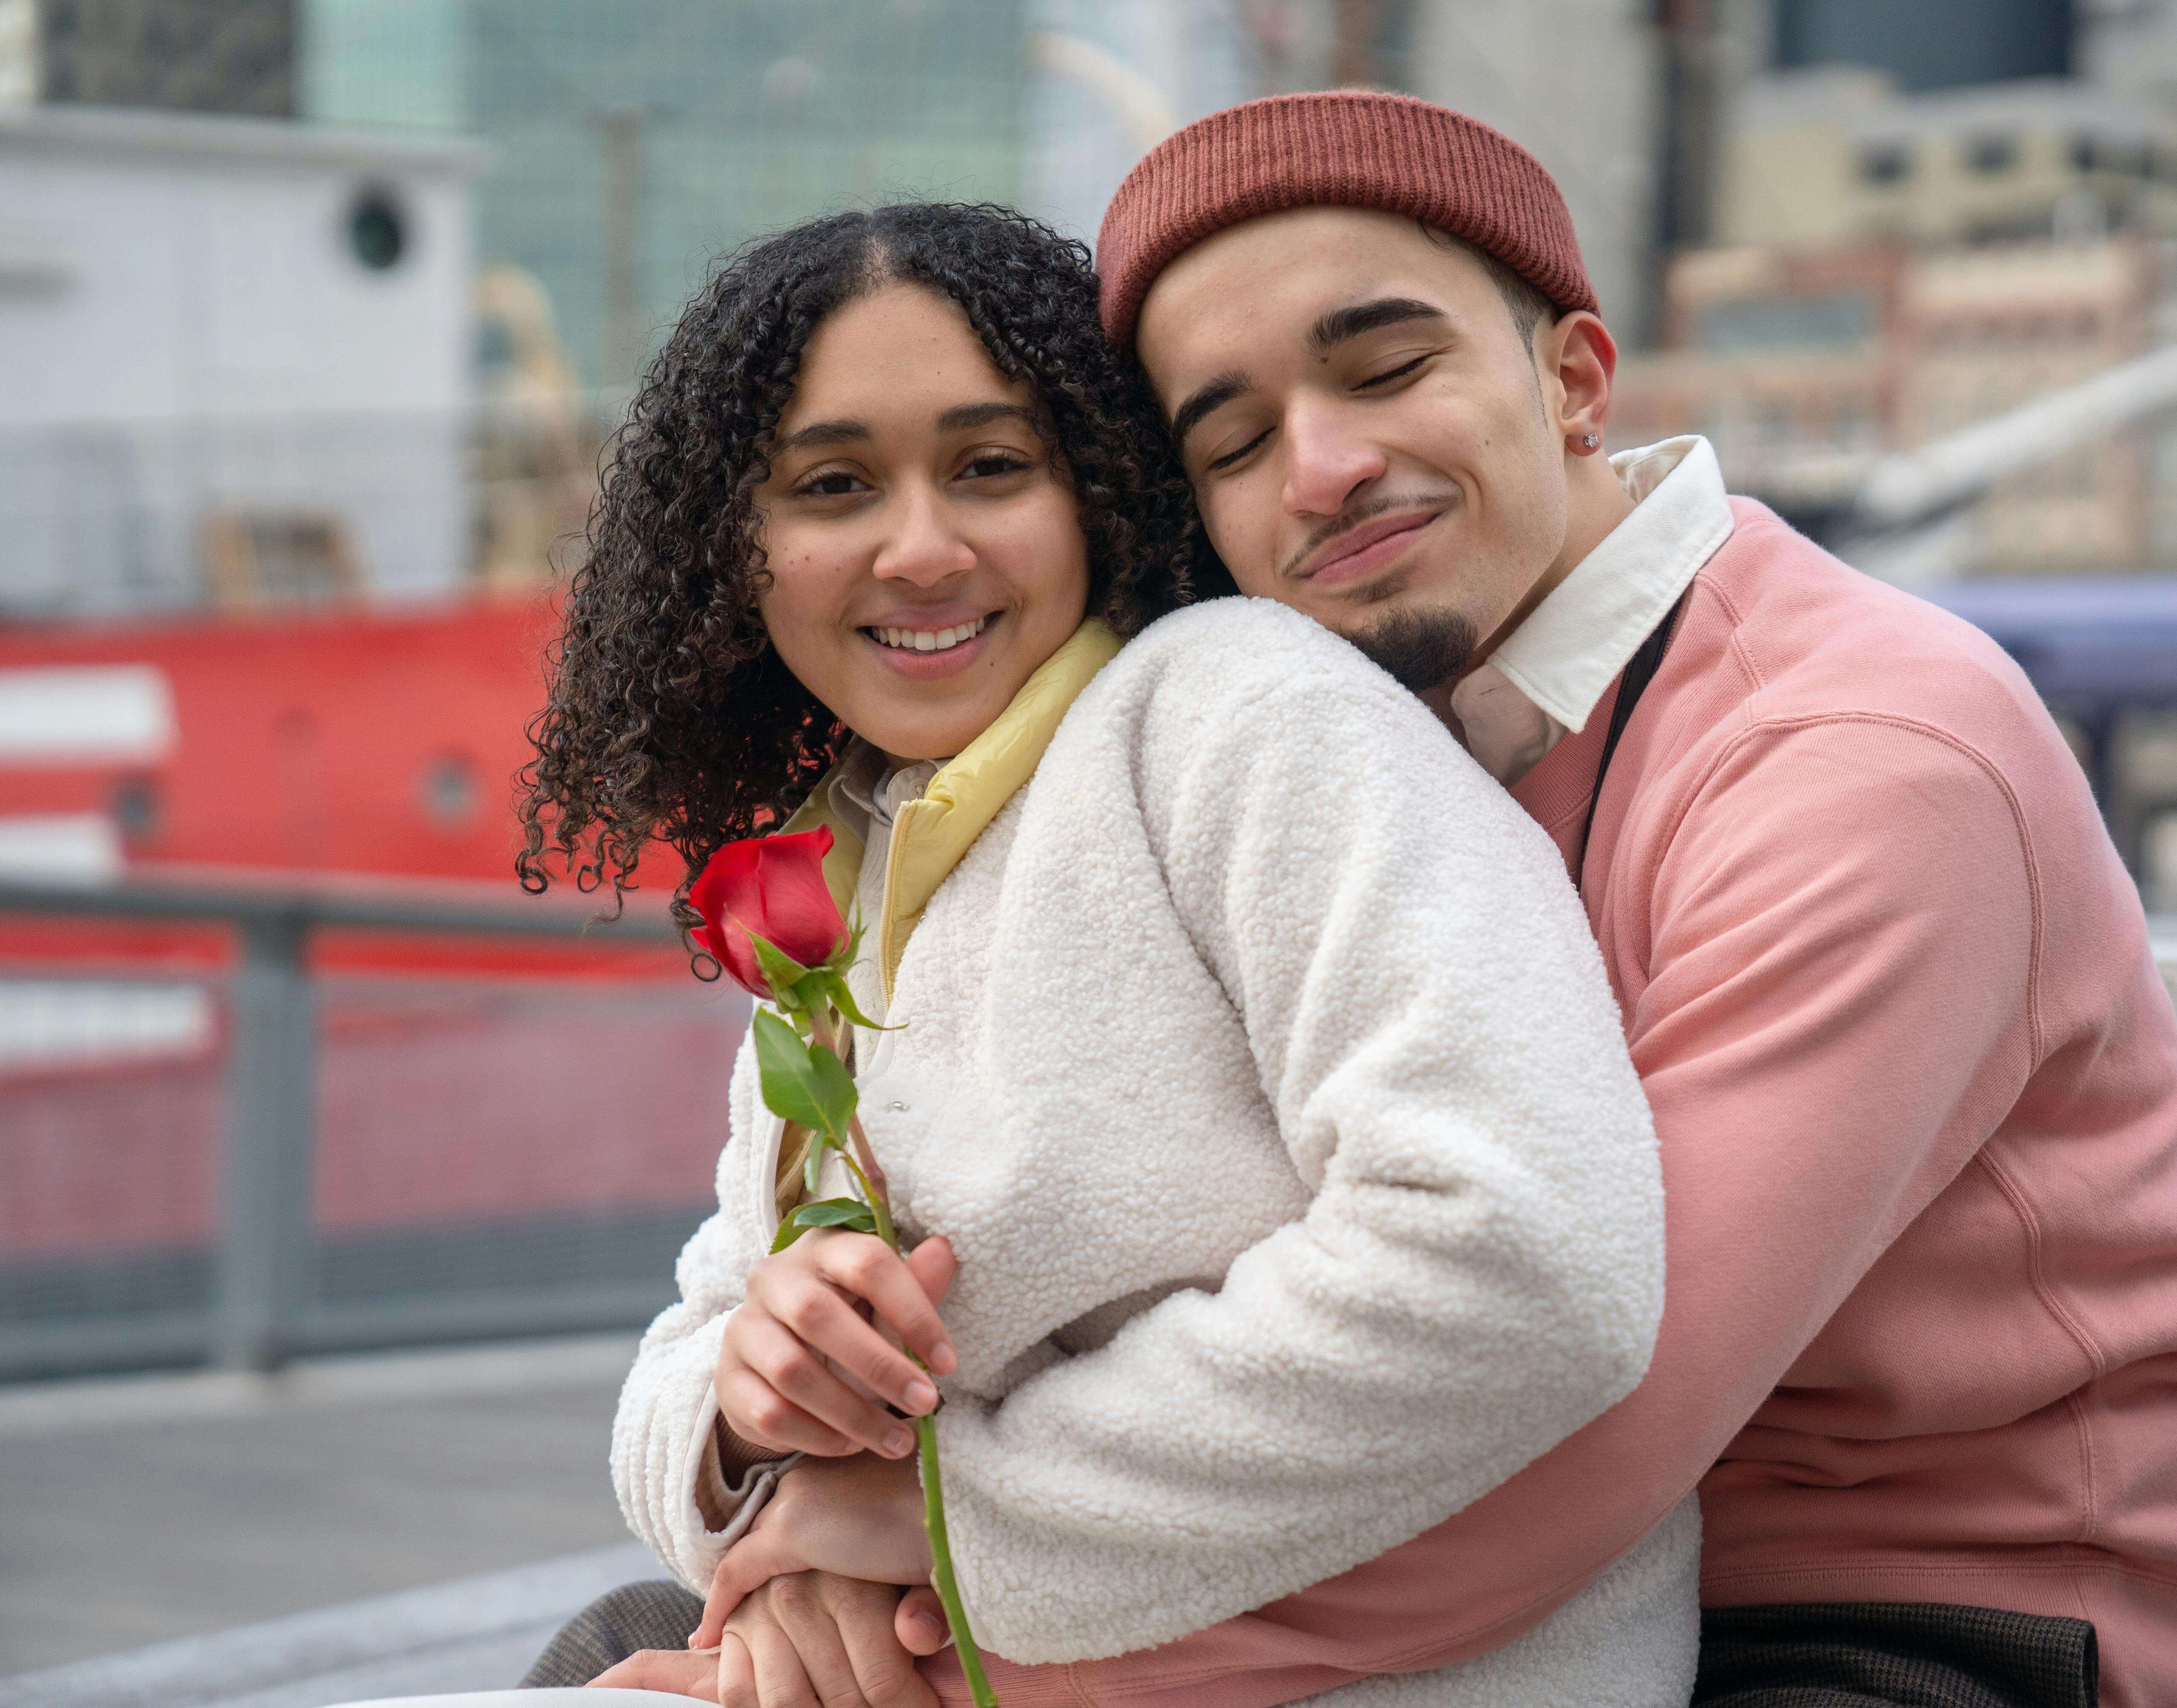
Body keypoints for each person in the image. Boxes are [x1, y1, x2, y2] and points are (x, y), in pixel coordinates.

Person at [574, 94, 2177, 1708]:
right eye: (1230, 439)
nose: (1323, 469)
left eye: (1387, 367)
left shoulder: (1869, 756)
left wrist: (922, 1610)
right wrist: (793, 1498)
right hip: (1524, 1582)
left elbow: (1575, 1426)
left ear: (1575, 378)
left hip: (1928, 1610)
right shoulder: (1373, 720)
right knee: (618, 1633)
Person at [512, 201, 1689, 1705]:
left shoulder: (1239, 713)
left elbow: (1527, 1257)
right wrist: (753, 1411)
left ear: (1101, 491)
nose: (922, 547)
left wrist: (946, 1530)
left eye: (992, 467)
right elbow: (692, 1338)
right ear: (732, 554)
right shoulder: (859, 852)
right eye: (833, 484)